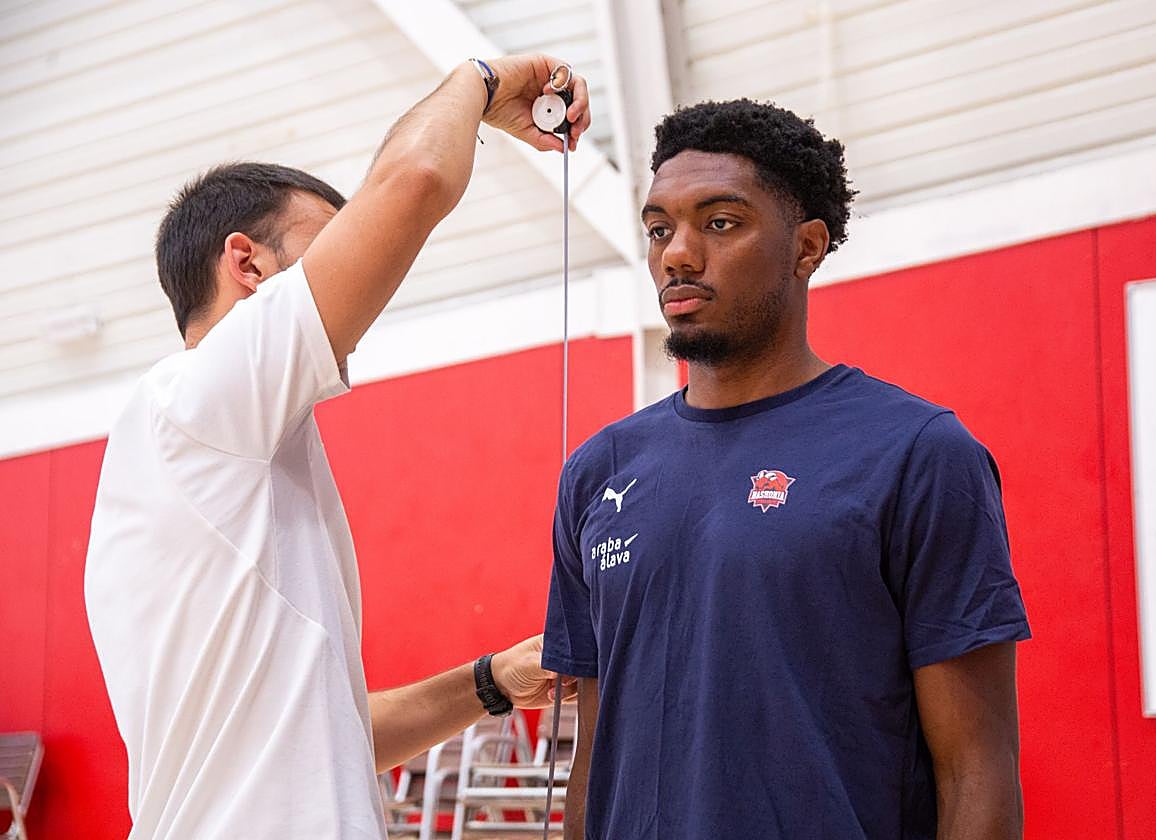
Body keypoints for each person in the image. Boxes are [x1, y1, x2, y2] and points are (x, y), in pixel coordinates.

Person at [84, 55, 589, 839]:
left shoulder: (214, 457)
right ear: (246, 263)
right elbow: (416, 177)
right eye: (328, 247)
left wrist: (493, 681)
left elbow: (336, 733)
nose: (358, 272)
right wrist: (484, 80)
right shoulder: (195, 403)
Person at [542, 99, 1031, 840]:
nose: (678, 253)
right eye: (659, 228)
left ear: (807, 247)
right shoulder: (598, 471)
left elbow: (978, 771)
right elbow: (594, 762)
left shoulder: (918, 452)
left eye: (721, 222)